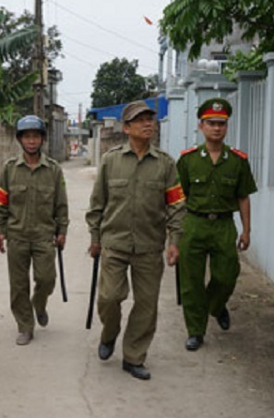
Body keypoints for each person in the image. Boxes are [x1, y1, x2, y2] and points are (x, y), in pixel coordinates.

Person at [85, 100, 186, 380]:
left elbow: (176, 205)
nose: (147, 124)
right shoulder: (111, 161)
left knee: (146, 304)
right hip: (114, 244)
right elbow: (97, 204)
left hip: (149, 246)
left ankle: (133, 356)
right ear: (126, 128)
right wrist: (95, 237)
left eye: (149, 119)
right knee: (108, 298)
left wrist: (174, 240)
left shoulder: (165, 164)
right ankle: (109, 333)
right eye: (140, 120)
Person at [176, 98, 258, 351]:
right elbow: (179, 198)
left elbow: (243, 196)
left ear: (226, 127)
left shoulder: (237, 160)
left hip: (223, 224)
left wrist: (246, 229)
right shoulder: (188, 160)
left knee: (227, 274)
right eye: (211, 123)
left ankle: (215, 305)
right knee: (191, 280)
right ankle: (195, 331)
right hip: (194, 224)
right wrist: (175, 234)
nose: (216, 128)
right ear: (201, 126)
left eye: (221, 124)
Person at [0, 115, 69, 346]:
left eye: (36, 136)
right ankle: (25, 326)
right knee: (18, 285)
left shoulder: (53, 170)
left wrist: (62, 230)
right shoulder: (9, 169)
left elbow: (61, 203)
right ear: (20, 140)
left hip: (44, 235)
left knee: (47, 279)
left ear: (42, 139)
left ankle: (39, 304)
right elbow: (1, 202)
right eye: (27, 137)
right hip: (17, 235)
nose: (32, 141)